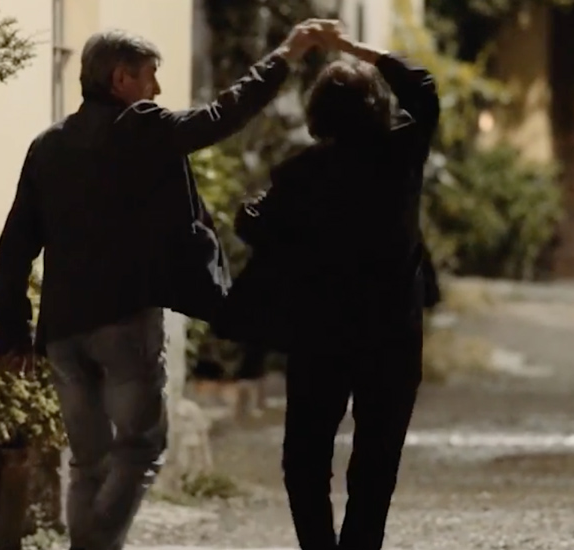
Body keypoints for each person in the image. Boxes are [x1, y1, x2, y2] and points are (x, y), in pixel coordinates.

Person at [0, 22, 336, 550]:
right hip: (125, 321)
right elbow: (224, 115)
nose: (155, 90)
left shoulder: (47, 147)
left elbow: (16, 245)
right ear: (121, 78)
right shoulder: (141, 126)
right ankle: (94, 546)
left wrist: (12, 329)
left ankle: (90, 544)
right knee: (140, 448)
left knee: (87, 460)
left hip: (62, 331)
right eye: (150, 77)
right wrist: (285, 56)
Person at [220, 25, 440, 550]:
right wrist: (353, 49)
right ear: (376, 109)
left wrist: (250, 213)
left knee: (306, 455)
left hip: (322, 332)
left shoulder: (300, 174)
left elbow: (257, 229)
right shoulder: (401, 156)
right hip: (393, 331)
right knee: (378, 454)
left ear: (319, 113)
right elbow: (424, 88)